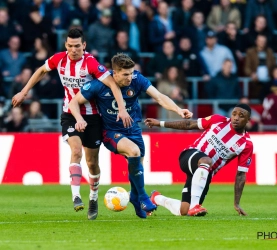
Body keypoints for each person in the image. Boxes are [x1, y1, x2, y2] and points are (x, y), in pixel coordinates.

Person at [11, 28, 132, 220]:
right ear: (66, 46)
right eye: (70, 46)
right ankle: (76, 197)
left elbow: (112, 84)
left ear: (84, 46)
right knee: (76, 151)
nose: (73, 49)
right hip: (70, 113)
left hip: (93, 117)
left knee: (92, 163)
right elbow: (41, 70)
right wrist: (24, 92)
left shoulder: (90, 63)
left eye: (77, 46)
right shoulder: (59, 59)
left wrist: (122, 109)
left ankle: (93, 197)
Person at [69, 53, 193, 219]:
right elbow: (73, 102)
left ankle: (135, 197)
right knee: (133, 152)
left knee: (137, 166)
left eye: (132, 73)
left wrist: (178, 110)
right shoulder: (99, 84)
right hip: (110, 132)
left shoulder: (137, 79)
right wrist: (78, 119)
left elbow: (159, 97)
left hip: (133, 129)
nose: (130, 77)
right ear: (115, 73)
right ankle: (143, 197)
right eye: (126, 74)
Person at [144, 104, 253, 216]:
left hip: (204, 175)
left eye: (241, 116)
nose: (236, 118)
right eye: (234, 114)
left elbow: (241, 174)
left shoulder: (246, 144)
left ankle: (156, 198)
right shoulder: (218, 120)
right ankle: (195, 206)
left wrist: (237, 203)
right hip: (190, 156)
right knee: (206, 160)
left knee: (184, 211)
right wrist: (160, 123)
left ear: (248, 120)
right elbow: (189, 124)